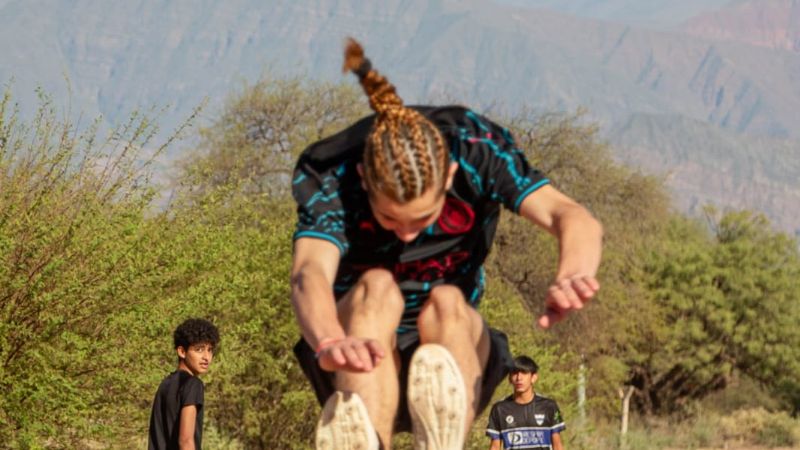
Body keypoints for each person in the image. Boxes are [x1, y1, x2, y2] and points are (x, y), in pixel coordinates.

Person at [291, 37, 602, 450]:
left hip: (454, 353)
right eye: (389, 219)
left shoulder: (475, 149)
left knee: (448, 303)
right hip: (356, 345)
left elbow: (571, 216)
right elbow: (309, 271)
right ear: (365, 180)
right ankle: (365, 438)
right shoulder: (333, 173)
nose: (407, 236)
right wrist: (329, 340)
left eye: (422, 218)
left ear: (450, 175)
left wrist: (573, 273)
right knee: (375, 289)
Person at [148, 318, 220, 450]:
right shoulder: (193, 385)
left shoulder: (165, 384)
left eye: (210, 350)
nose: (206, 357)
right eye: (199, 349)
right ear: (182, 351)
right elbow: (185, 441)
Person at [486, 356, 565, 450]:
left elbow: (557, 445)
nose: (519, 378)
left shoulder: (549, 406)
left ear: (534, 377)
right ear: (510, 379)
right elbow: (495, 447)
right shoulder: (499, 409)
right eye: (515, 373)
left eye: (524, 372)